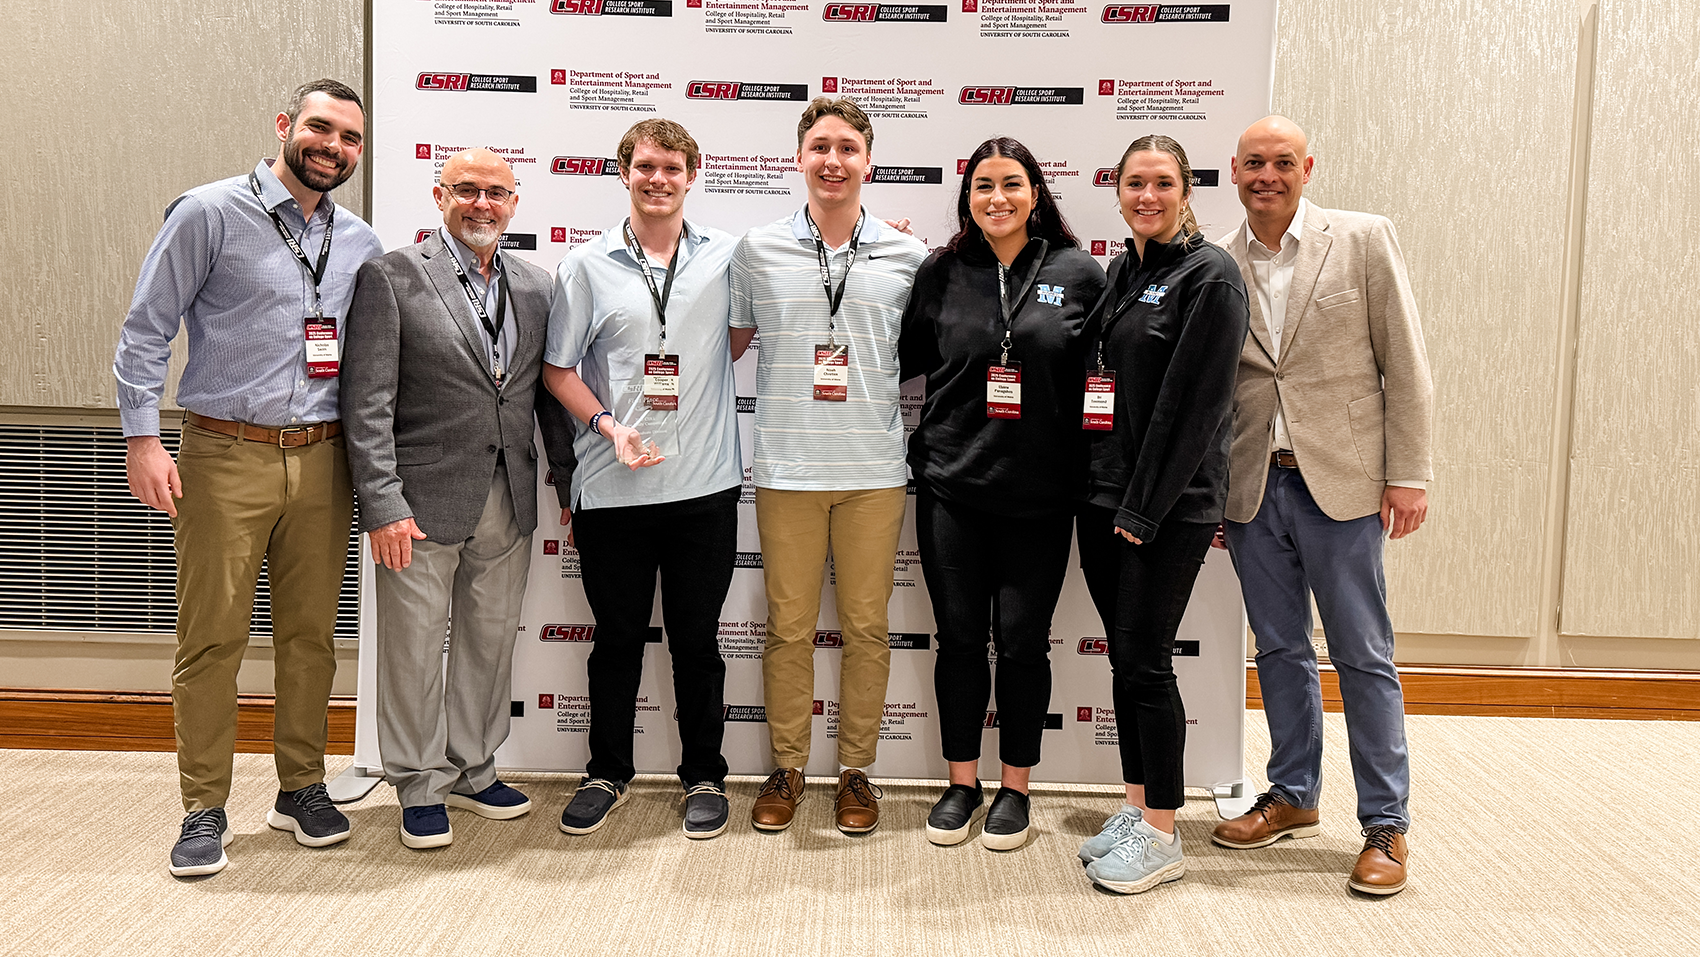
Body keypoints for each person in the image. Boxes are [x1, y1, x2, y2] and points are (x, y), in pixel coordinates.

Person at [113, 79, 385, 877]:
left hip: (325, 458)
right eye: (320, 128)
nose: (333, 147)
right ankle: (204, 805)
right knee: (213, 637)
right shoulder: (207, 212)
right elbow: (145, 333)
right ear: (284, 126)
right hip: (223, 453)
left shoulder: (360, 241)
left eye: (350, 139)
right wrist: (140, 440)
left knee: (310, 638)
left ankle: (301, 786)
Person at [1210, 115, 1432, 896]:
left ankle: (1386, 824)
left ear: (1308, 166)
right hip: (1251, 485)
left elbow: (1403, 361)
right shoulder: (1218, 259)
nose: (1266, 175)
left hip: (1340, 481)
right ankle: (1294, 793)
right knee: (1279, 649)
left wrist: (1408, 471)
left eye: (1281, 162)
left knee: (1363, 654)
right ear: (1232, 171)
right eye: (1252, 164)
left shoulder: (1363, 239)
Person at [342, 148, 576, 849]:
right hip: (419, 501)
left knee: (486, 640)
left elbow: (545, 399)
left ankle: (472, 765)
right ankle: (417, 781)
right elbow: (367, 402)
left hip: (508, 496)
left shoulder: (537, 286)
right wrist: (381, 503)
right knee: (413, 649)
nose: (483, 203)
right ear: (440, 194)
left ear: (514, 202)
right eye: (467, 190)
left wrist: (567, 481)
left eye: (497, 192)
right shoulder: (393, 276)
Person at [728, 97, 928, 834]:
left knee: (867, 629)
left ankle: (855, 772)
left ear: (868, 163)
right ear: (800, 159)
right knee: (788, 629)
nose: (833, 160)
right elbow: (730, 344)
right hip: (785, 468)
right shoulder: (757, 248)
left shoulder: (909, 256)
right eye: (820, 146)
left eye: (847, 147)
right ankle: (787, 765)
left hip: (875, 469)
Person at [898, 137, 1104, 850]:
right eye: (982, 185)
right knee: (958, 640)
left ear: (1036, 192)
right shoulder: (942, 272)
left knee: (1021, 645)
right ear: (968, 197)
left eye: (1011, 183)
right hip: (952, 489)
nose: (997, 197)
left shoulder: (1080, 274)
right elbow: (910, 365)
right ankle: (962, 780)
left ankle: (1015, 785)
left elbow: (1102, 380)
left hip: (1043, 498)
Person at [542, 119, 742, 840]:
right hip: (613, 490)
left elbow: (741, 333)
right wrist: (609, 427)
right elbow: (558, 369)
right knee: (618, 638)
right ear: (623, 172)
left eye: (672, 167)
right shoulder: (585, 265)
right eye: (645, 166)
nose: (659, 179)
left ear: (694, 172)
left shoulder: (726, 256)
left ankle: (705, 774)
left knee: (698, 641)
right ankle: (607, 770)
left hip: (706, 488)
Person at [1073, 135, 1250, 894]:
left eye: (1162, 183)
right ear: (1116, 190)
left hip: (1161, 507)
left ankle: (1163, 832)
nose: (1147, 195)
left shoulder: (1211, 276)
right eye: (1134, 182)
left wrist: (1144, 508)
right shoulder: (1125, 268)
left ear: (1186, 189)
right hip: (1105, 495)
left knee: (1146, 664)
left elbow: (1196, 409)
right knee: (1124, 659)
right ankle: (1138, 804)